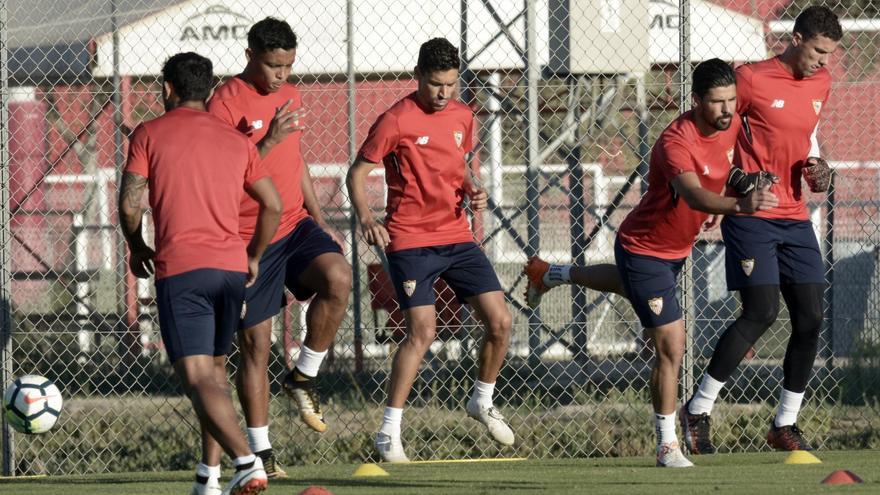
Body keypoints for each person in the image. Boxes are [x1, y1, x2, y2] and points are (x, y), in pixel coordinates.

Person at [524, 59, 778, 467]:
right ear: (696, 101)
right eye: (717, 102)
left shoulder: (727, 126)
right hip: (644, 249)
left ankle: (551, 273)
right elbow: (694, 194)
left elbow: (720, 168)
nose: (728, 109)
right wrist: (738, 204)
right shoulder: (675, 143)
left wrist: (741, 181)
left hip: (673, 252)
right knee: (671, 344)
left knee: (626, 286)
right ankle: (666, 444)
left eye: (732, 100)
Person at [677, 6, 842, 455]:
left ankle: (783, 425)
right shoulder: (749, 79)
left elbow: (805, 138)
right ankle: (697, 409)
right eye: (818, 51)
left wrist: (818, 169)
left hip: (793, 214)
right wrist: (729, 184)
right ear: (795, 38)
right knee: (762, 311)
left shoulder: (822, 83)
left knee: (810, 319)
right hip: (752, 214)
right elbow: (715, 134)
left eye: (830, 54)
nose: (824, 61)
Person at [119, 52, 281, 495]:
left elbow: (130, 204)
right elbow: (274, 204)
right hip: (230, 272)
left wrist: (137, 248)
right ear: (209, 91)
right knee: (213, 373)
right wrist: (253, 256)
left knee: (196, 377)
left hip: (184, 271)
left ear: (167, 88)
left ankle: (247, 462)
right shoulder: (237, 141)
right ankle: (208, 479)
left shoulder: (149, 133)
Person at [346, 37, 515, 463]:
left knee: (500, 321)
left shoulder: (462, 114)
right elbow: (358, 173)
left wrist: (472, 190)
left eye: (451, 85)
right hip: (410, 239)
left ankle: (482, 400)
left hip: (457, 236)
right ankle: (389, 433)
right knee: (422, 331)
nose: (443, 94)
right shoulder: (396, 120)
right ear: (418, 76)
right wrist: (368, 217)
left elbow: (457, 164)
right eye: (436, 84)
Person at [207, 17, 353, 476]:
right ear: (250, 56)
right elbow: (224, 176)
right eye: (273, 66)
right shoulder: (224, 103)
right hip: (250, 237)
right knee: (256, 346)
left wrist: (319, 217)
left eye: (288, 66)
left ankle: (303, 374)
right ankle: (260, 453)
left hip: (295, 225)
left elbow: (297, 158)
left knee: (338, 276)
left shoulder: (292, 94)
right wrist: (266, 140)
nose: (282, 76)